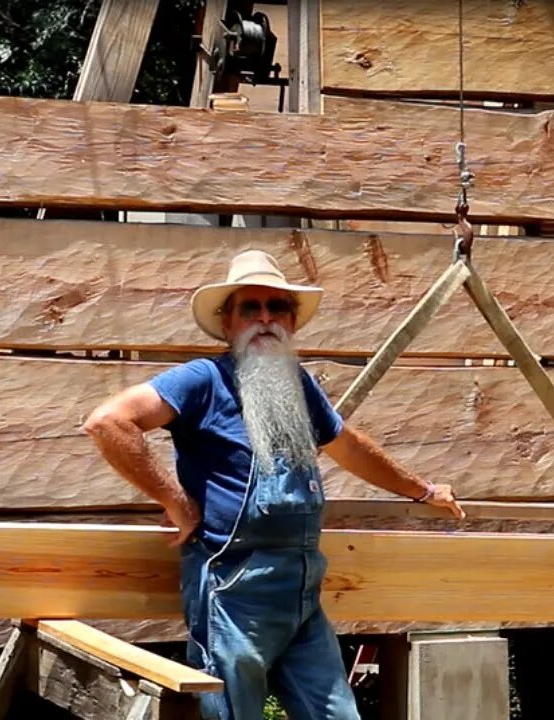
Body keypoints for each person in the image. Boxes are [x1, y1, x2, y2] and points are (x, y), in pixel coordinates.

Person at [82, 249, 465, 720]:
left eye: (277, 307)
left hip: (302, 592)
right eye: (250, 308)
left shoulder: (297, 384)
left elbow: (348, 446)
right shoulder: (204, 380)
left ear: (293, 321)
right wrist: (175, 500)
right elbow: (108, 423)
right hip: (231, 589)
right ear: (228, 323)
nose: (265, 319)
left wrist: (423, 491)